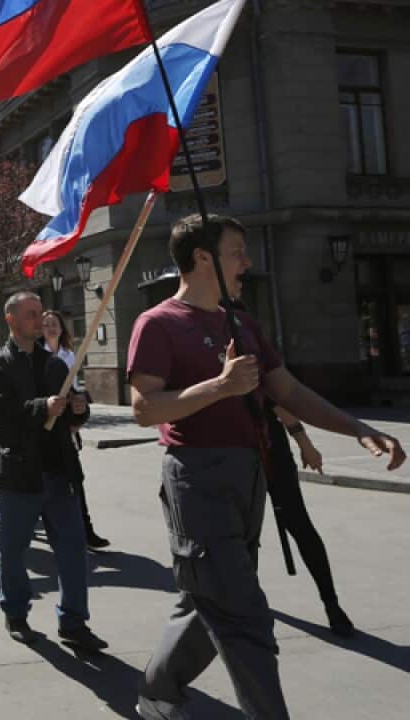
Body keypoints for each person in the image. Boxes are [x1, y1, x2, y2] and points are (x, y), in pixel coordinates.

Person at [129, 214, 405, 720]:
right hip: (197, 479)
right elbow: (145, 408)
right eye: (237, 251)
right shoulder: (158, 323)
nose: (247, 263)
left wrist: (358, 427)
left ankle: (157, 690)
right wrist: (218, 386)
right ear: (202, 258)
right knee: (244, 617)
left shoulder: (243, 323)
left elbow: (290, 391)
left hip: (250, 475)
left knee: (205, 600)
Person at [0, 292, 105, 652]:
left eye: (40, 314)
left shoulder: (54, 365)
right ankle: (16, 613)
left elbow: (73, 415)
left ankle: (73, 621)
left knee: (72, 549)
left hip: (59, 472)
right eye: (31, 314)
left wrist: (79, 409)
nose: (39, 320)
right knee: (14, 549)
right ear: (11, 320)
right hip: (20, 474)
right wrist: (42, 407)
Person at [41, 309, 109, 550]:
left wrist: (79, 409)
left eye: (54, 324)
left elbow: (76, 390)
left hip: (66, 428)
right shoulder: (37, 357)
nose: (50, 328)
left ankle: (86, 530)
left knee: (75, 481)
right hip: (44, 429)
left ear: (62, 328)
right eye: (46, 324)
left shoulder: (70, 355)